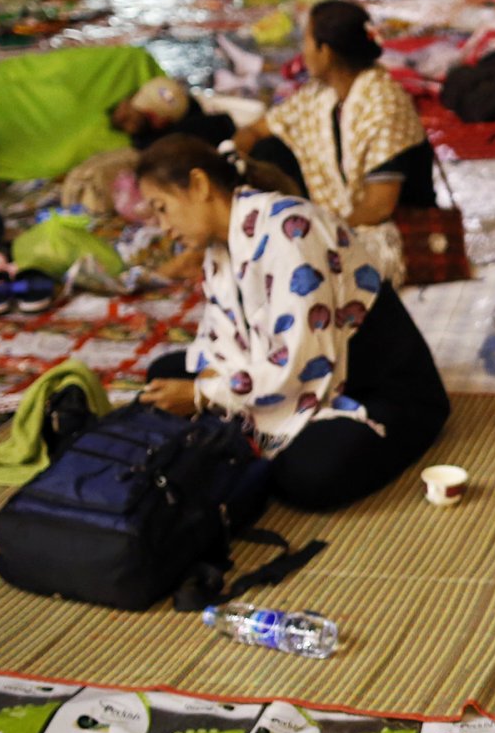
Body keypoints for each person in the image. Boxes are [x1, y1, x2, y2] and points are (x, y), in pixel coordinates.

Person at [132, 135, 449, 511]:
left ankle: (246, 439)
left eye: (162, 208)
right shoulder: (221, 247)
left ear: (199, 185)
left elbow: (299, 363)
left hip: (374, 388)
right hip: (292, 373)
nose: (164, 227)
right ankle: (246, 436)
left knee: (309, 476)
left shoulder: (290, 230)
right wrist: (204, 384)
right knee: (163, 374)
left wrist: (204, 395)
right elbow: (225, 340)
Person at [237, 0, 433, 284]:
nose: (302, 52)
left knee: (292, 273)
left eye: (306, 41)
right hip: (345, 225)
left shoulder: (383, 103)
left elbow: (379, 206)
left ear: (325, 51)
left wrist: (321, 237)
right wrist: (232, 154)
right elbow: (258, 129)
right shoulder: (321, 96)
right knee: (266, 151)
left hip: (393, 233)